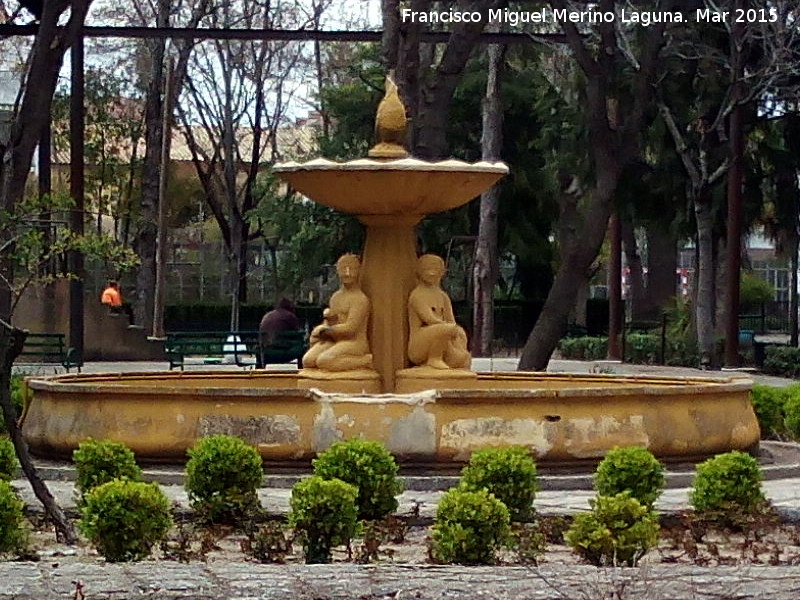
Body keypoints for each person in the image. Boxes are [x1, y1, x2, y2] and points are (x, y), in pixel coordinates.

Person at [302, 254, 373, 371]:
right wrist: (321, 328)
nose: (347, 273)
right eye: (343, 269)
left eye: (351, 269)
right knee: (308, 360)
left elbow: (351, 329)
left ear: (359, 271)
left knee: (325, 361)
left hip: (353, 342)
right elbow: (331, 322)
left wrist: (327, 330)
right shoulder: (336, 297)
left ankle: (365, 361)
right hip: (334, 340)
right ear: (338, 271)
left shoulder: (360, 299)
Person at [407, 254, 471, 370]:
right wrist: (449, 329)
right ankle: (434, 358)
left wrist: (456, 333)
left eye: (435, 269)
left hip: (443, 336)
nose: (431, 273)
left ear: (442, 272)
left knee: (460, 332)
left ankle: (453, 356)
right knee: (447, 329)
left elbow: (451, 320)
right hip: (419, 344)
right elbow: (429, 319)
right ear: (419, 271)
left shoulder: (443, 296)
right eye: (427, 269)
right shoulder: (417, 295)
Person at [258, 298, 302, 366]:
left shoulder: (267, 315)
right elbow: (298, 334)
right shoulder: (290, 316)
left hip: (266, 352)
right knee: (302, 347)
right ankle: (301, 368)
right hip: (282, 352)